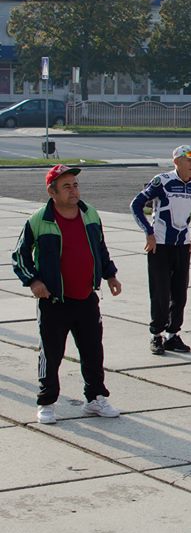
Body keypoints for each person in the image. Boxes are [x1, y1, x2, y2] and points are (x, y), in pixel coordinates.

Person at [12, 164, 122, 425]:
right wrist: (33, 281)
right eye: (66, 187)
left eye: (75, 185)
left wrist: (110, 275)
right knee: (51, 354)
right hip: (54, 301)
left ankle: (94, 398)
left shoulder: (90, 213)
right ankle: (46, 402)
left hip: (86, 298)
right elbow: (20, 256)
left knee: (93, 352)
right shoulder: (39, 220)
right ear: (52, 192)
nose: (73, 191)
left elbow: (101, 248)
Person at [130, 145, 191, 356]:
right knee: (160, 293)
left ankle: (173, 335)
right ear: (176, 162)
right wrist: (149, 232)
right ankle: (157, 335)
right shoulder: (162, 181)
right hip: (160, 245)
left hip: (183, 246)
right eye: (188, 159)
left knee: (180, 294)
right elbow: (136, 205)